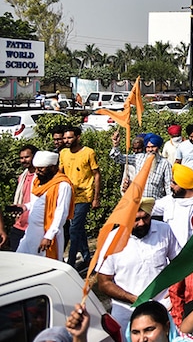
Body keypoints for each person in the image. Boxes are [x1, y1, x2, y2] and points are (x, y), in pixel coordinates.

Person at [97, 198, 181, 330]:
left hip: (164, 308)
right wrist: (133, 299)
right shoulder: (112, 240)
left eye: (146, 217)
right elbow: (104, 282)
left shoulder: (164, 230)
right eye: (136, 219)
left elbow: (180, 264)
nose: (142, 223)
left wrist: (175, 290)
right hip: (127, 313)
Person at [16, 151, 73, 260]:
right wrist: (24, 207)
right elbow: (37, 203)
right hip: (30, 232)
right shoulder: (38, 182)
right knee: (20, 261)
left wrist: (49, 236)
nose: (37, 172)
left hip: (46, 234)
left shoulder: (63, 185)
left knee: (45, 266)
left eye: (41, 169)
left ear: (52, 167)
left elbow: (61, 213)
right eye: (36, 168)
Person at [59, 126, 100, 268]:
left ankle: (70, 263)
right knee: (79, 228)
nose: (66, 140)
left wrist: (96, 197)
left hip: (84, 196)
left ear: (78, 137)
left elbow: (96, 174)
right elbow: (60, 173)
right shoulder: (63, 153)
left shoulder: (88, 152)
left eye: (69, 137)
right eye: (64, 138)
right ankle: (87, 258)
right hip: (68, 196)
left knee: (74, 229)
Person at [152, 164, 193, 245]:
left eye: (174, 183)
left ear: (185, 185)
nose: (171, 186)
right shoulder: (169, 200)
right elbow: (148, 208)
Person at [112, 132, 173, 199]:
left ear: (158, 148)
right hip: (138, 201)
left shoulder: (165, 163)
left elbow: (168, 186)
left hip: (155, 203)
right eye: (148, 147)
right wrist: (116, 145)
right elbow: (118, 159)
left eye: (153, 147)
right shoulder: (138, 158)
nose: (150, 150)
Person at [10, 144, 37, 250]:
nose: (23, 160)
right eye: (21, 158)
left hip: (34, 225)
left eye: (26, 157)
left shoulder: (41, 178)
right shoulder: (22, 177)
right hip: (19, 224)